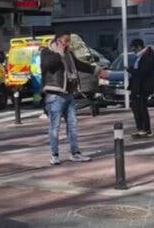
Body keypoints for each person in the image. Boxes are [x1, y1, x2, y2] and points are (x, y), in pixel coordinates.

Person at [40, 33, 107, 165]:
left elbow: (79, 65)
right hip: (55, 94)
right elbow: (47, 66)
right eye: (65, 41)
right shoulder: (47, 52)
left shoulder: (68, 54)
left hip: (69, 93)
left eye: (68, 41)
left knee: (72, 125)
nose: (67, 44)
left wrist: (97, 71)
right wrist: (59, 54)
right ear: (58, 40)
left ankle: (75, 153)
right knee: (55, 126)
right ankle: (54, 155)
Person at [126, 38, 154, 138]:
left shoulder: (147, 56)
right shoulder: (141, 56)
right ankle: (140, 128)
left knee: (141, 108)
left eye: (134, 49)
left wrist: (130, 70)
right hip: (137, 87)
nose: (133, 51)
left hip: (142, 87)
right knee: (136, 107)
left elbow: (143, 72)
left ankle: (145, 129)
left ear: (139, 47)